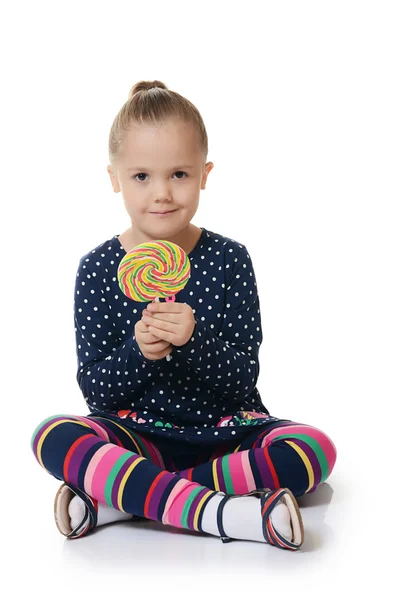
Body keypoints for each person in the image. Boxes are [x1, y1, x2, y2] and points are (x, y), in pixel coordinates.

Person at [30, 80, 337, 551]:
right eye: (140, 177)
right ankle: (226, 513)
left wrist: (195, 341)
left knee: (313, 449)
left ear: (204, 173)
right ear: (113, 177)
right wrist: (140, 352)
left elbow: (243, 379)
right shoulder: (97, 270)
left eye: (178, 174)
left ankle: (126, 497)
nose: (162, 194)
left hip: (225, 433)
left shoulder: (230, 259)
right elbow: (96, 390)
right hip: (135, 435)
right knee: (52, 435)